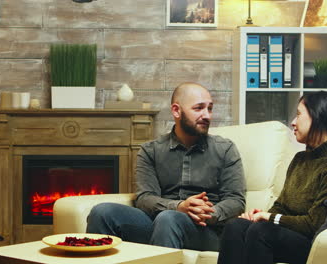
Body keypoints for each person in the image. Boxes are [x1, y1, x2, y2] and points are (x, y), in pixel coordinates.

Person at [86, 82, 246, 250]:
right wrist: (178, 207)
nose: (207, 115)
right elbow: (145, 198)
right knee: (102, 213)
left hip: (207, 231)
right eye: (199, 108)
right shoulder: (151, 151)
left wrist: (208, 213)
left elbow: (236, 200)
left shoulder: (225, 149)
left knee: (169, 218)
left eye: (210, 108)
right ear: (176, 110)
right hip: (160, 224)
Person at [218, 91, 327, 264]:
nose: (293, 123)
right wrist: (260, 216)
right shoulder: (300, 159)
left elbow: (313, 224)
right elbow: (282, 206)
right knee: (235, 226)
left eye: (299, 114)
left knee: (262, 231)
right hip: (284, 234)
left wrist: (269, 218)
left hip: (310, 242)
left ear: (318, 116)